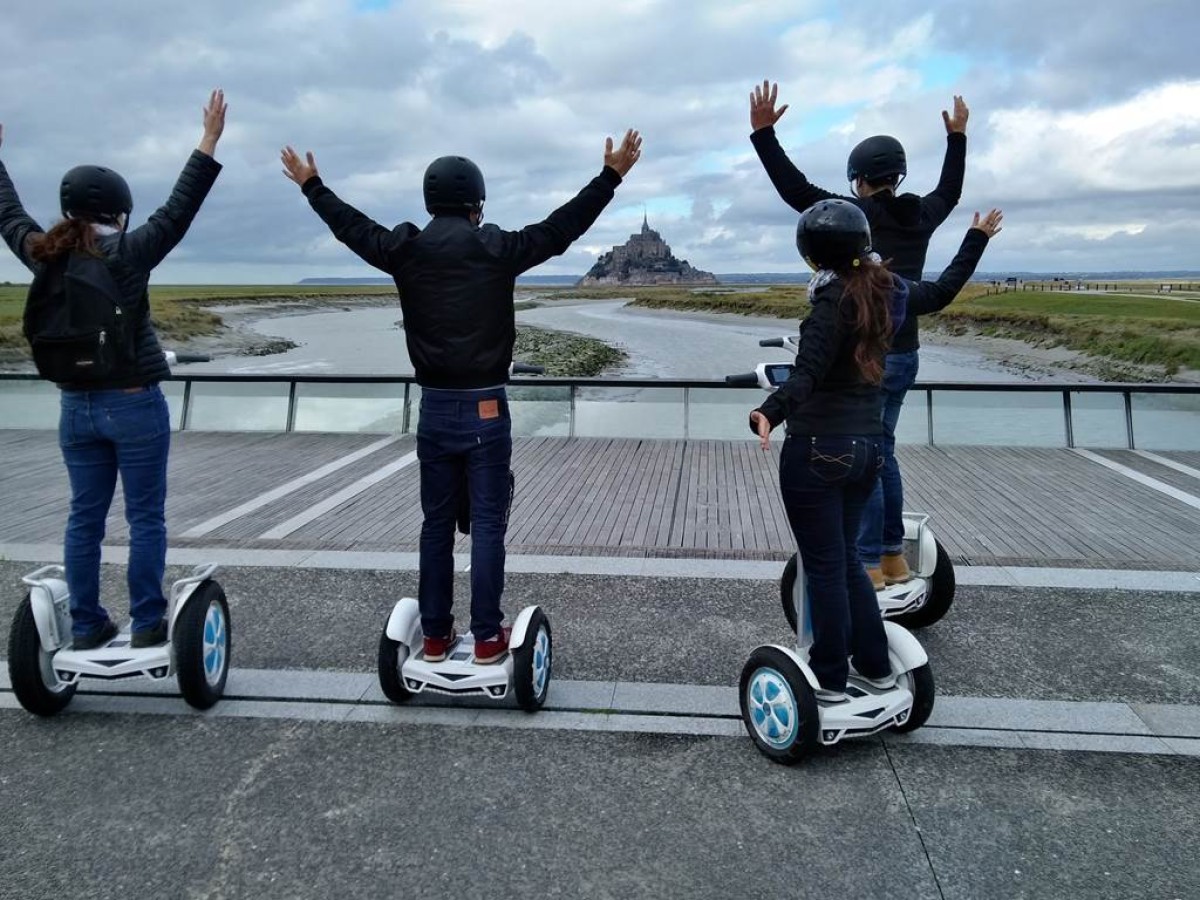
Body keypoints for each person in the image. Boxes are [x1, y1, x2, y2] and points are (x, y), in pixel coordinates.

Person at [280, 130, 642, 664]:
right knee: (489, 525)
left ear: (430, 203)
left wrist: (314, 187)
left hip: (433, 410)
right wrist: (610, 177)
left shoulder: (405, 248)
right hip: (487, 408)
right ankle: (489, 638)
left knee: (435, 526)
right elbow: (560, 229)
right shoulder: (495, 248)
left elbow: (353, 229)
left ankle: (433, 635)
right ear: (478, 204)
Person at [0, 90, 227, 649]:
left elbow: (7, 213)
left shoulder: (41, 252)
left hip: (73, 407)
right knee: (145, 517)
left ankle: (84, 624)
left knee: (84, 519)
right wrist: (209, 140)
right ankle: (148, 621)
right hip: (133, 402)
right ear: (116, 209)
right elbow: (179, 209)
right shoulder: (128, 252)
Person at [750, 199, 1001, 702]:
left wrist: (769, 412)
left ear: (812, 257)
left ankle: (827, 680)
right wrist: (977, 240)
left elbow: (809, 372)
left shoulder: (831, 302)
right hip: (868, 450)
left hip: (819, 448)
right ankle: (874, 666)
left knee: (823, 567)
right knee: (845, 563)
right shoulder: (889, 290)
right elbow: (945, 290)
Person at [749, 80, 969, 589]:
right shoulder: (921, 217)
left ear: (859, 181)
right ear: (897, 175)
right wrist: (957, 139)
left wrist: (763, 136)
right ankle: (891, 555)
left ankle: (867, 562)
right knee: (884, 451)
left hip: (862, 354)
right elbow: (950, 193)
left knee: (860, 451)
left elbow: (797, 193)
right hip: (905, 350)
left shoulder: (853, 220)